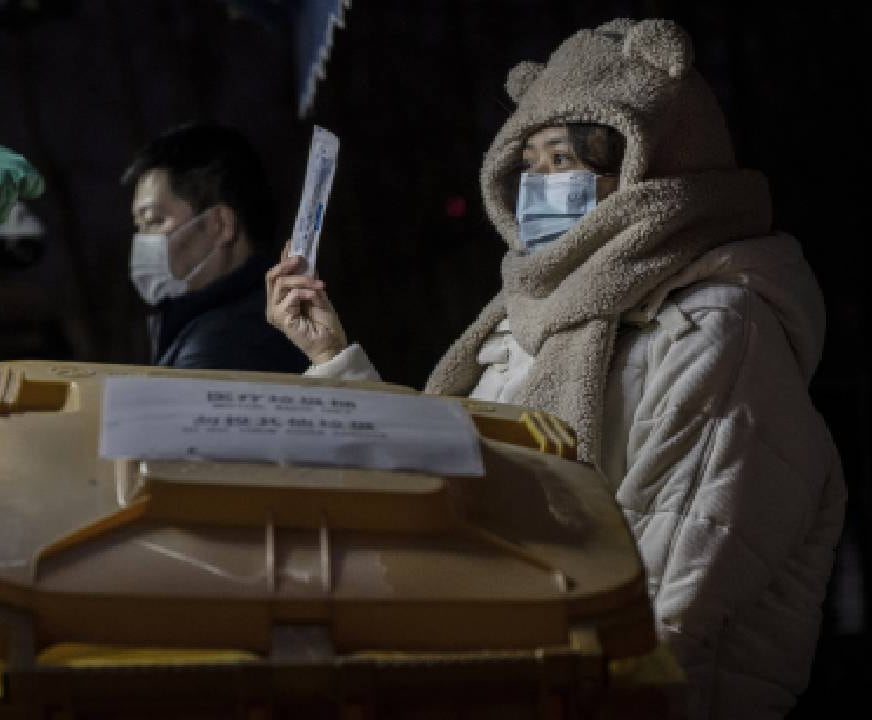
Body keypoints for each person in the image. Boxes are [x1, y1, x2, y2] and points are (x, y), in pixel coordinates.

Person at [266, 18, 844, 719]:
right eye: (529, 163)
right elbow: (445, 484)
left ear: (649, 163)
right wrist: (334, 359)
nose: (537, 185)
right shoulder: (518, 322)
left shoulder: (720, 326)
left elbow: (663, 604)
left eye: (563, 161)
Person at [123, 123, 308, 372]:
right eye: (139, 226)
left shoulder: (225, 344)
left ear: (220, 225)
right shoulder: (209, 326)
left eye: (155, 220)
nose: (142, 241)